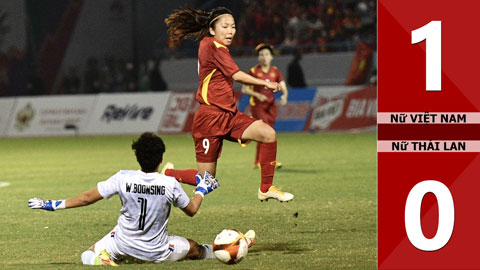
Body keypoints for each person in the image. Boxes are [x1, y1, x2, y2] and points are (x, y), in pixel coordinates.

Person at [27, 132, 242, 265]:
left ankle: (101, 261)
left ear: (137, 157)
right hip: (157, 250)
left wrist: (52, 205)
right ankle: (225, 249)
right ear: (161, 159)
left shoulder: (123, 178)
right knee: (195, 248)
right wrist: (202, 189)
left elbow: (86, 198)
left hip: (122, 244)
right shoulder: (169, 183)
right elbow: (192, 210)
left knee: (88, 254)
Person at [164, 7, 294, 202]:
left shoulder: (216, 48)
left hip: (229, 115)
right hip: (208, 119)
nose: (231, 31)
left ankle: (266, 188)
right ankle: (169, 174)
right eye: (225, 26)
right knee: (207, 180)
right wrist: (266, 84)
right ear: (212, 30)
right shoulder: (211, 46)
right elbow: (237, 75)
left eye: (233, 27)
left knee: (268, 134)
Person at [241, 43, 288, 169]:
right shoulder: (253, 71)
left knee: (268, 134)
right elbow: (244, 89)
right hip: (257, 106)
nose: (264, 57)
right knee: (266, 132)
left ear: (271, 57)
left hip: (270, 106)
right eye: (261, 55)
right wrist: (257, 94)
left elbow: (283, 85)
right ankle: (265, 162)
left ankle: (258, 161)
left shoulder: (275, 71)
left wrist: (285, 95)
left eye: (267, 54)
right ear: (258, 58)